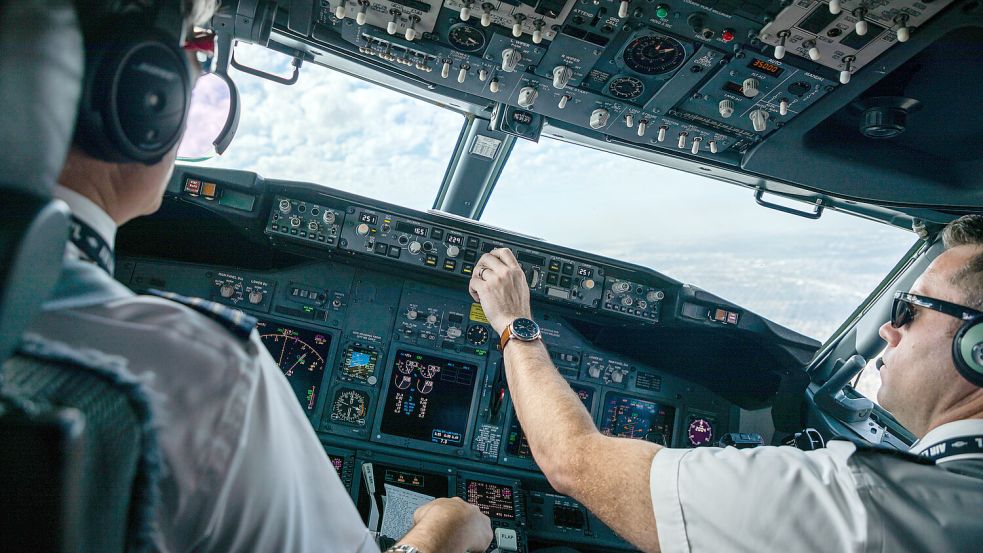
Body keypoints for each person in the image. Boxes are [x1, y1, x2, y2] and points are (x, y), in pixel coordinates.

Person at [26, 1, 492, 552]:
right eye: (196, 49)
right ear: (142, 92)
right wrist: (443, 535)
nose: (198, 75)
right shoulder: (198, 375)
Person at [468, 215, 983, 553]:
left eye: (910, 310)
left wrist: (515, 322)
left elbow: (571, 459)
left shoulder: (859, 502)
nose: (889, 329)